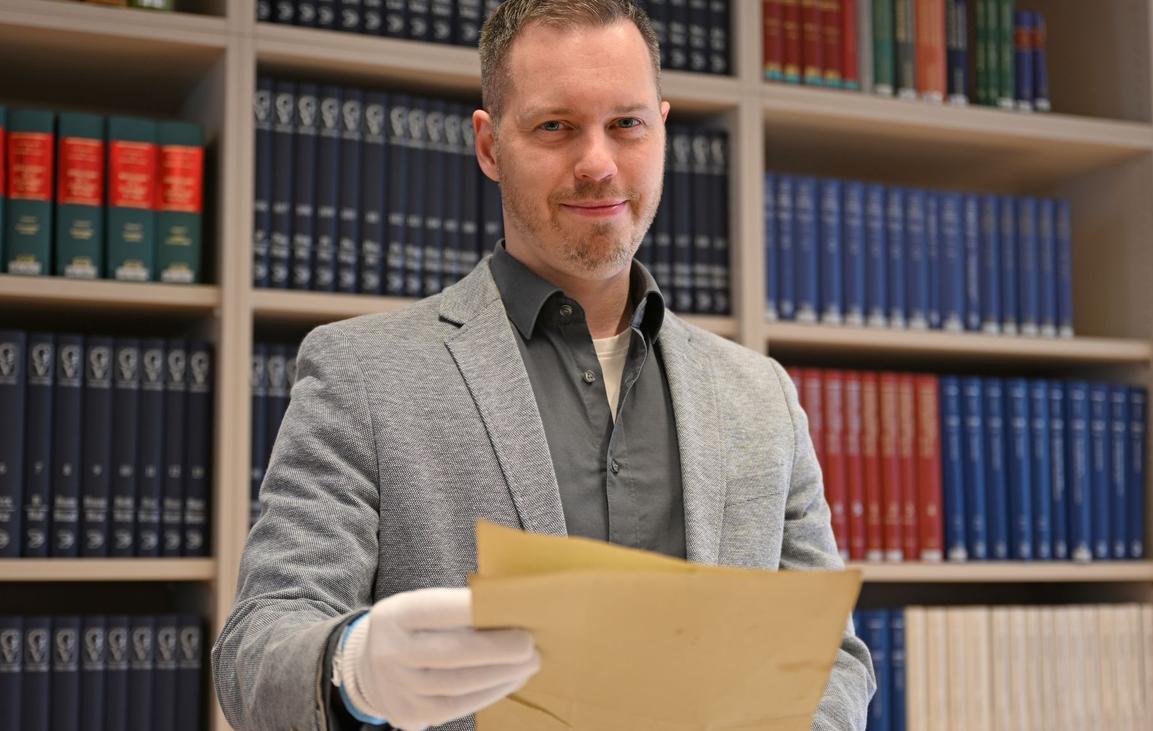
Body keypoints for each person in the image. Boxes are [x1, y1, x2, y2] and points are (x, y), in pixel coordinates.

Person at [211, 1, 876, 728]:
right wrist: (353, 665)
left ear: (661, 128)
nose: (598, 164)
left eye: (626, 124)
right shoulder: (361, 373)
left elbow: (833, 657)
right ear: (490, 146)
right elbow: (256, 649)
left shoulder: (761, 394)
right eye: (555, 126)